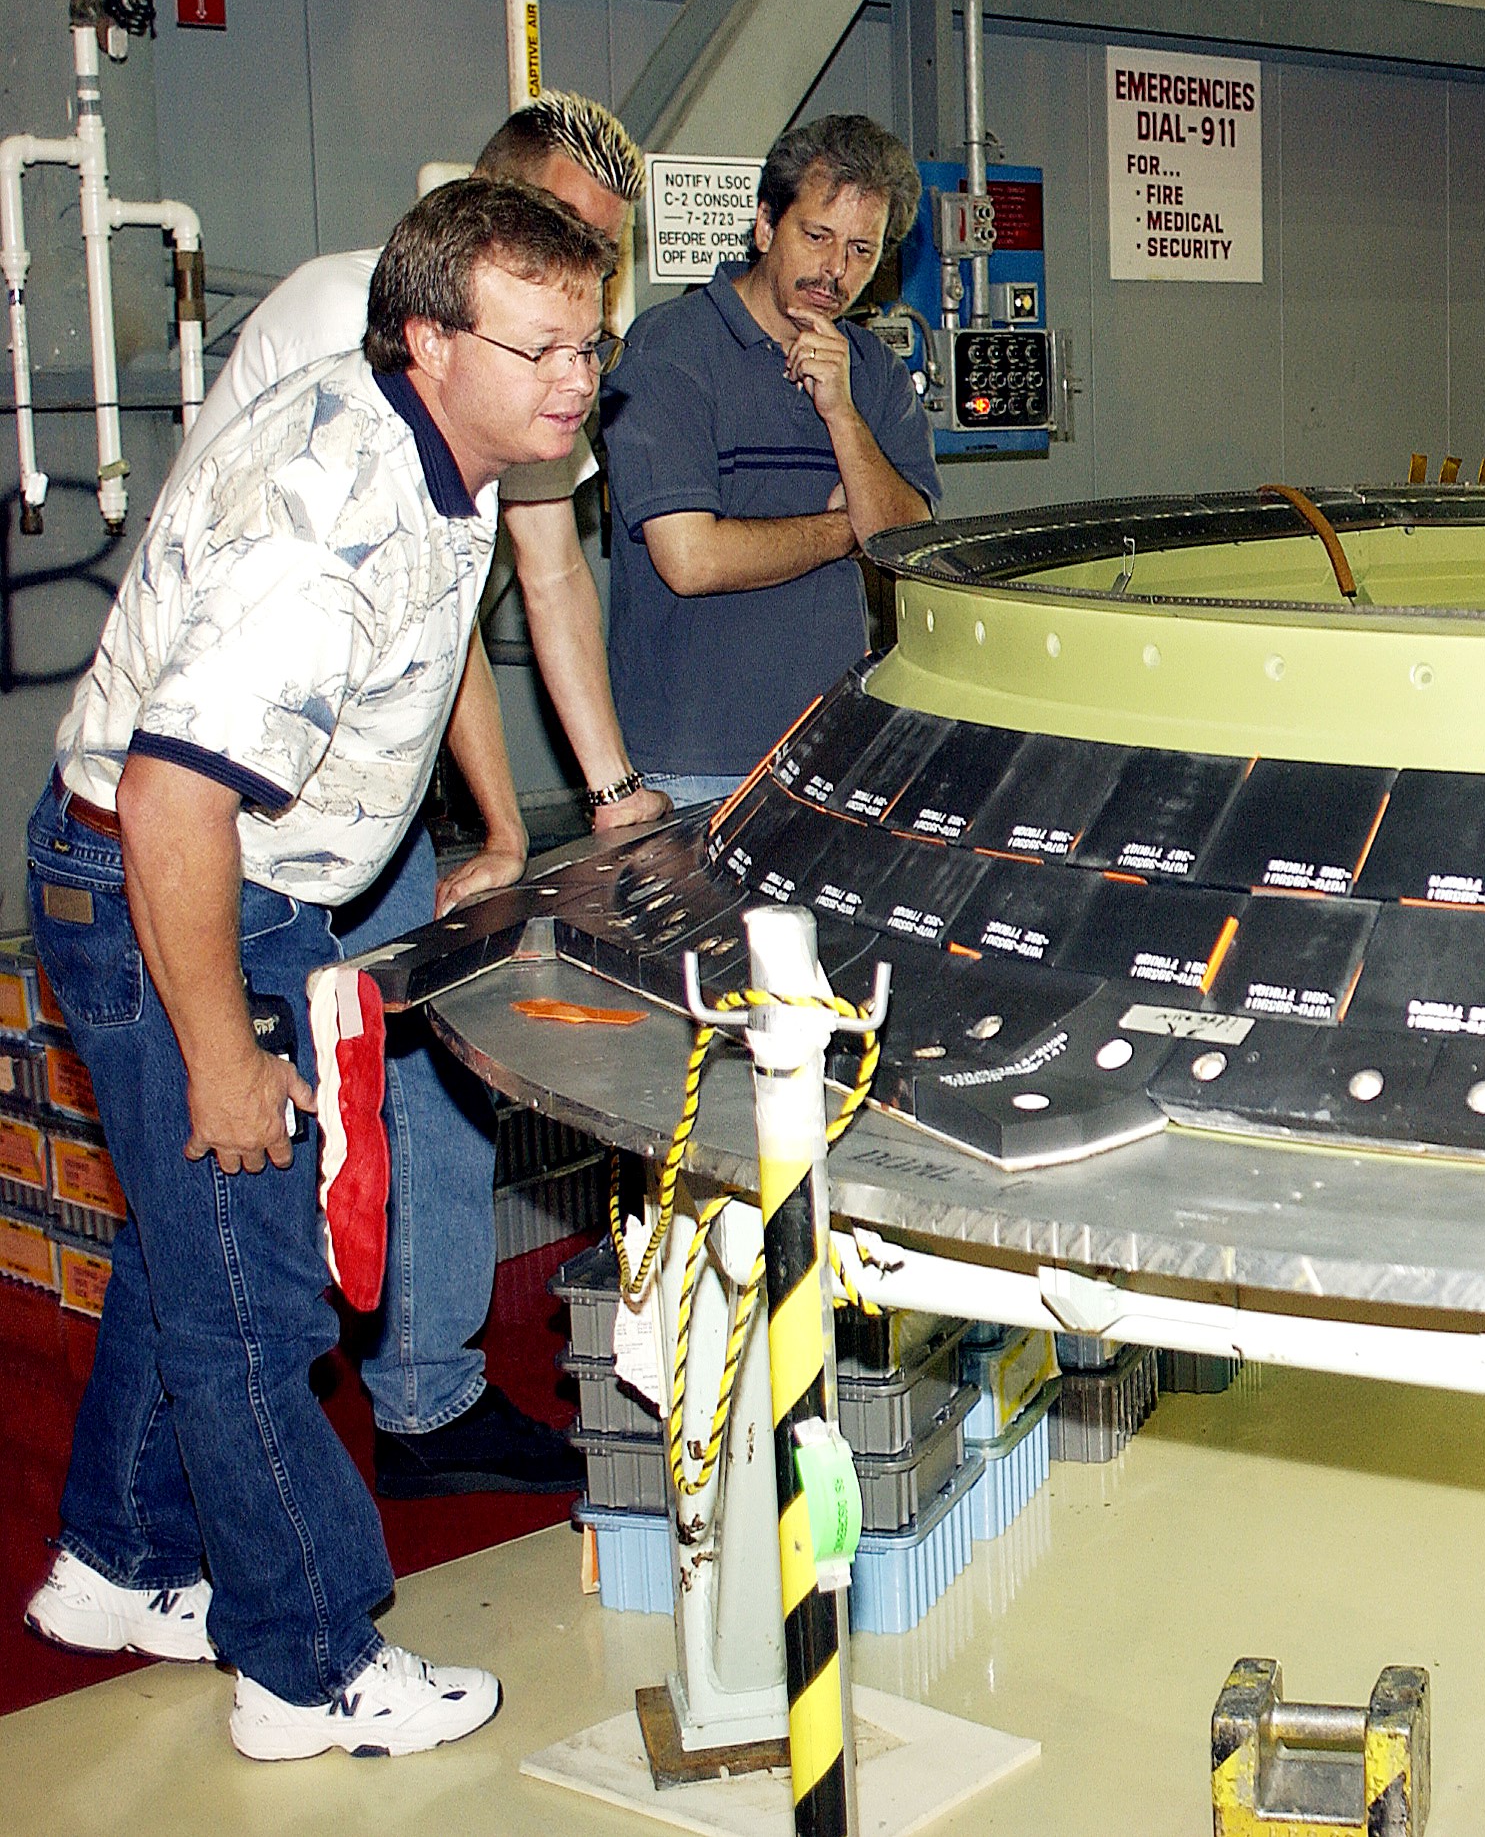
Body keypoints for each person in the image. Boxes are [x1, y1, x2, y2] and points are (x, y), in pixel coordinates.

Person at [18, 179, 616, 1757]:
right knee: (255, 1301)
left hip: (247, 882)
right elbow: (170, 799)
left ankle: (119, 1561)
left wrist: (493, 817)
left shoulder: (459, 457)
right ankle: (308, 1663)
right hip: (170, 884)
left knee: (183, 1247)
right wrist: (220, 1050)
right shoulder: (326, 516)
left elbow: (431, 663)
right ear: (430, 340)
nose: (577, 379)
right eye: (540, 344)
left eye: (590, 343)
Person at [164, 92, 662, 1500]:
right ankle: (264, 1486)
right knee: (259, 1133)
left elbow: (536, 585)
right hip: (243, 793)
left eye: (602, 281)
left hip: (376, 793)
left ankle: (427, 1394)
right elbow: (390, 627)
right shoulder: (355, 333)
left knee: (437, 1064)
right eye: (561, 252)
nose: (581, 325)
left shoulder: (527, 380)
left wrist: (583, 804)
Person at [601, 113, 939, 807]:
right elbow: (691, 558)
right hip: (694, 766)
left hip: (836, 750)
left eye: (860, 250)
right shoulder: (670, 349)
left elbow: (912, 549)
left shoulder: (873, 373)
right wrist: (843, 533)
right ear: (764, 227)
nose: (834, 269)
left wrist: (842, 413)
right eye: (816, 236)